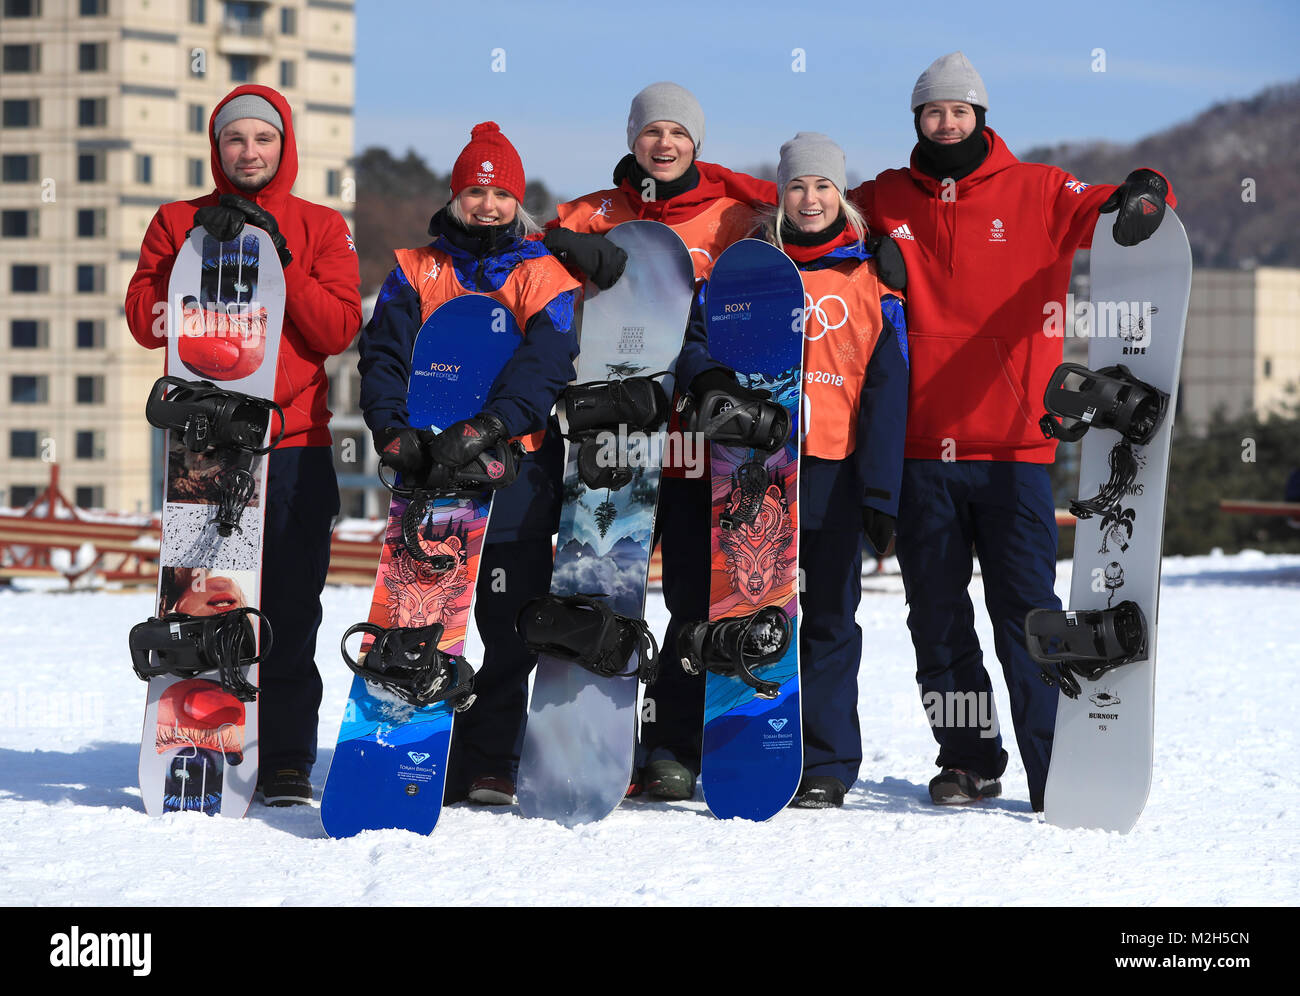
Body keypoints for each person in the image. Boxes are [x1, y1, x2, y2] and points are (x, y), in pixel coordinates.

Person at [845, 52, 1176, 810]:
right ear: (917, 120)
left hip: (1015, 450)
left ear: (981, 117)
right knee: (934, 616)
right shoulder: (883, 197)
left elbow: (1121, 206)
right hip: (921, 448)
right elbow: (808, 210)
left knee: (1029, 615)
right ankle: (967, 758)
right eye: (933, 111)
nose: (947, 122)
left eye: (960, 110)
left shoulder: (1039, 190)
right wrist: (867, 242)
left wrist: (1148, 189)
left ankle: (1052, 767)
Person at [125, 84, 362, 807]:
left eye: (263, 139)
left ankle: (287, 758)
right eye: (235, 140)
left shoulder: (319, 226)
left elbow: (337, 332)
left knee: (290, 608)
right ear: (216, 148)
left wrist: (272, 253)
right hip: (206, 446)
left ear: (284, 146)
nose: (249, 152)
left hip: (293, 444)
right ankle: (202, 738)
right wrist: (194, 257)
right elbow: (145, 319)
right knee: (206, 605)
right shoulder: (176, 220)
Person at [544, 82, 767, 801]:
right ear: (632, 137)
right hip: (610, 439)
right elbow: (525, 280)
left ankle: (674, 741)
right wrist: (553, 245)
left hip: (698, 440)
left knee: (697, 600)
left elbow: (806, 230)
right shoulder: (590, 214)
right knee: (601, 585)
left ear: (697, 144)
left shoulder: (734, 217)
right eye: (651, 132)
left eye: (678, 133)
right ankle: (588, 735)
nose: (663, 144)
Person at [357, 122, 582, 805]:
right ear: (455, 196)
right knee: (423, 616)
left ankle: (490, 757)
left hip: (512, 472)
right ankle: (421, 747)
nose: (486, 204)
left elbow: (546, 365)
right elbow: (384, 355)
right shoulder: (414, 268)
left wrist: (491, 426)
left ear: (518, 201)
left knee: (508, 626)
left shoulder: (544, 272)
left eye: (499, 193)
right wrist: (392, 430)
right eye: (474, 191)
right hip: (429, 468)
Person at [756, 133, 908, 808]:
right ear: (780, 197)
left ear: (842, 197)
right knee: (757, 611)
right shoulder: (752, 269)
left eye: (823, 187)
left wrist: (881, 491)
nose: (810, 199)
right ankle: (755, 745)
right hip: (759, 471)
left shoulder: (874, 278)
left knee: (829, 619)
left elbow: (888, 388)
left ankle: (827, 760)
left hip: (838, 471)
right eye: (797, 187)